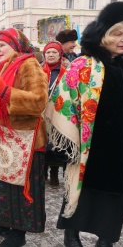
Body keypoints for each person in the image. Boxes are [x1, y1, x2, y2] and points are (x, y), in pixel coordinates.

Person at [45, 1, 123, 247]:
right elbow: (61, 102)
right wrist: (71, 144)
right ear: (103, 35)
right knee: (82, 195)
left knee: (116, 200)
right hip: (91, 150)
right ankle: (71, 233)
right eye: (118, 33)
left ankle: (107, 240)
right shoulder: (84, 66)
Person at [0, 28, 48, 247]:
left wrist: (6, 91)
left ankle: (18, 232)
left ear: (15, 46)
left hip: (25, 141)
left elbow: (38, 102)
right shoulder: (3, 68)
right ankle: (1, 222)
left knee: (17, 189)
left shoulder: (29, 65)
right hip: (3, 139)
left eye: (2, 46)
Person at [41, 41, 68, 187]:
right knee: (43, 142)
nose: (51, 55)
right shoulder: (39, 70)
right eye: (48, 52)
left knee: (56, 145)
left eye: (54, 52)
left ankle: (55, 173)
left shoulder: (66, 72)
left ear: (60, 55)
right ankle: (43, 171)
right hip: (42, 113)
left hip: (58, 114)